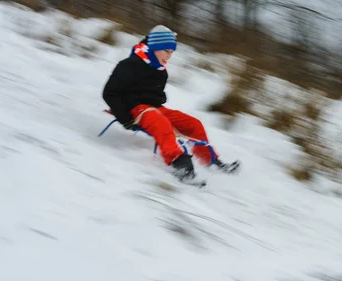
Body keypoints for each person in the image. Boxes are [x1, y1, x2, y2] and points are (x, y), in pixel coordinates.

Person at [102, 25, 239, 181]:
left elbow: (154, 96)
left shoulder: (160, 69)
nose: (169, 56)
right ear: (155, 47)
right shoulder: (129, 65)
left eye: (172, 52)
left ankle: (211, 161)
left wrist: (158, 98)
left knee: (194, 124)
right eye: (166, 51)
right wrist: (125, 118)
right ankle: (180, 163)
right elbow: (109, 93)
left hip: (155, 109)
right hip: (134, 109)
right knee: (161, 123)